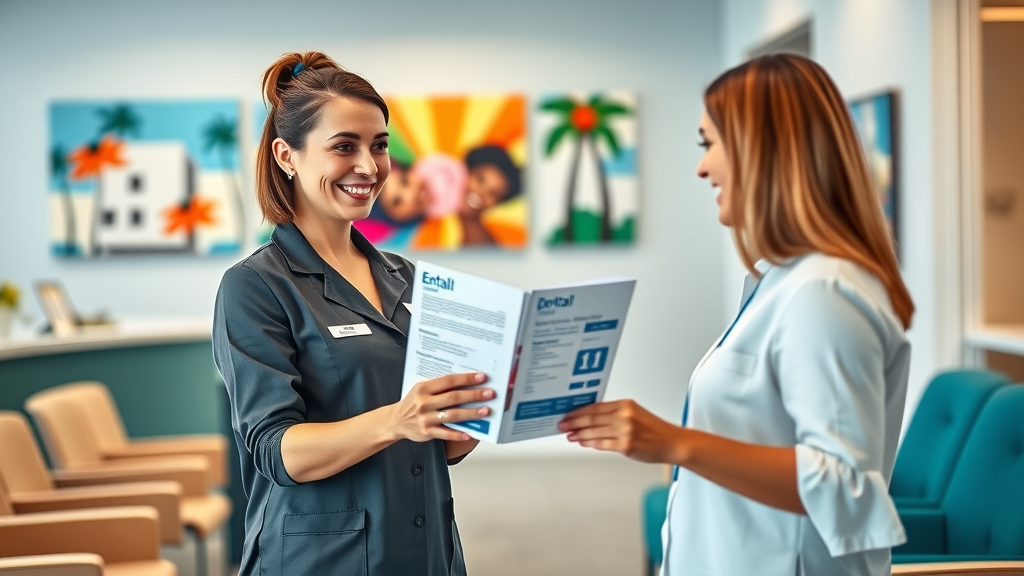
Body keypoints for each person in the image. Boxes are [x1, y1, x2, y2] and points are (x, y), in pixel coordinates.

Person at [560, 53, 915, 576]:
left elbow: (843, 484)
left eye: (710, 144)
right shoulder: (783, 281)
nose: (702, 168)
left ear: (766, 149)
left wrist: (674, 442)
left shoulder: (824, 293)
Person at [212, 51, 494, 576]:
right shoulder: (254, 287)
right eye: (344, 146)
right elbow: (277, 452)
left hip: (425, 546)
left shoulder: (405, 276)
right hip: (322, 557)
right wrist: (398, 419)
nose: (369, 166)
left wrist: (472, 417)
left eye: (380, 146)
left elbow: (441, 442)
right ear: (286, 155)